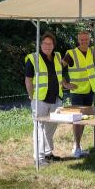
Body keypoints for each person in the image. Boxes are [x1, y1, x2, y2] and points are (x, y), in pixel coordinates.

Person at [62, 19, 95, 158]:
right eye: (81, 39)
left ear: (89, 39)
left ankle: (78, 146)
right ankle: (76, 147)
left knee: (84, 119)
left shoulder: (93, 51)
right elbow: (58, 68)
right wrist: (64, 84)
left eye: (86, 39)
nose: (84, 41)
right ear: (78, 40)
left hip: (90, 91)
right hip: (77, 92)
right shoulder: (71, 53)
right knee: (77, 120)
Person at [25, 32, 63, 166]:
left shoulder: (57, 56)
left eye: (50, 43)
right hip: (40, 100)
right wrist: (31, 96)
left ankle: (48, 153)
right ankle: (39, 159)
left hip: (56, 99)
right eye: (45, 43)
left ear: (54, 45)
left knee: (50, 128)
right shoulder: (33, 58)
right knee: (39, 128)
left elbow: (60, 74)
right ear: (40, 44)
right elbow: (28, 80)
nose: (47, 46)